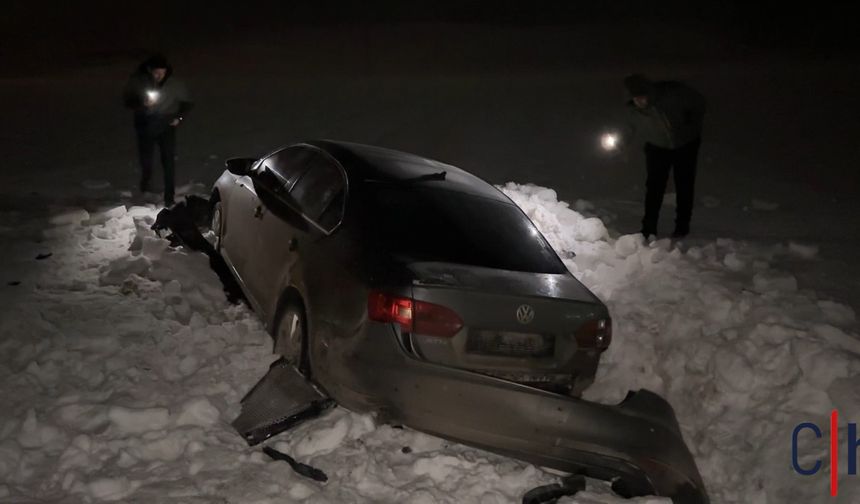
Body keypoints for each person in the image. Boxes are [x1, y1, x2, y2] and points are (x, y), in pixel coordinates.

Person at [623, 74, 706, 239]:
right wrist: (623, 145)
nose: (639, 102)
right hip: (657, 148)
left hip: (685, 145)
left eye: (642, 97)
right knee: (654, 188)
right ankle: (649, 228)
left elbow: (699, 104)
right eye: (636, 98)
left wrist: (690, 126)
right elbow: (629, 129)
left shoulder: (671, 95)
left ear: (648, 92)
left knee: (684, 185)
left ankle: (682, 227)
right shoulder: (633, 110)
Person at [123, 54, 193, 206]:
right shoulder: (139, 81)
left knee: (168, 161)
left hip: (166, 124)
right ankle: (145, 190)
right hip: (145, 124)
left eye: (162, 73)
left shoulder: (174, 84)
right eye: (156, 73)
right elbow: (128, 100)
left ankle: (169, 197)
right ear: (149, 70)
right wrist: (142, 103)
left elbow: (187, 103)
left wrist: (179, 118)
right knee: (146, 160)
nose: (159, 76)